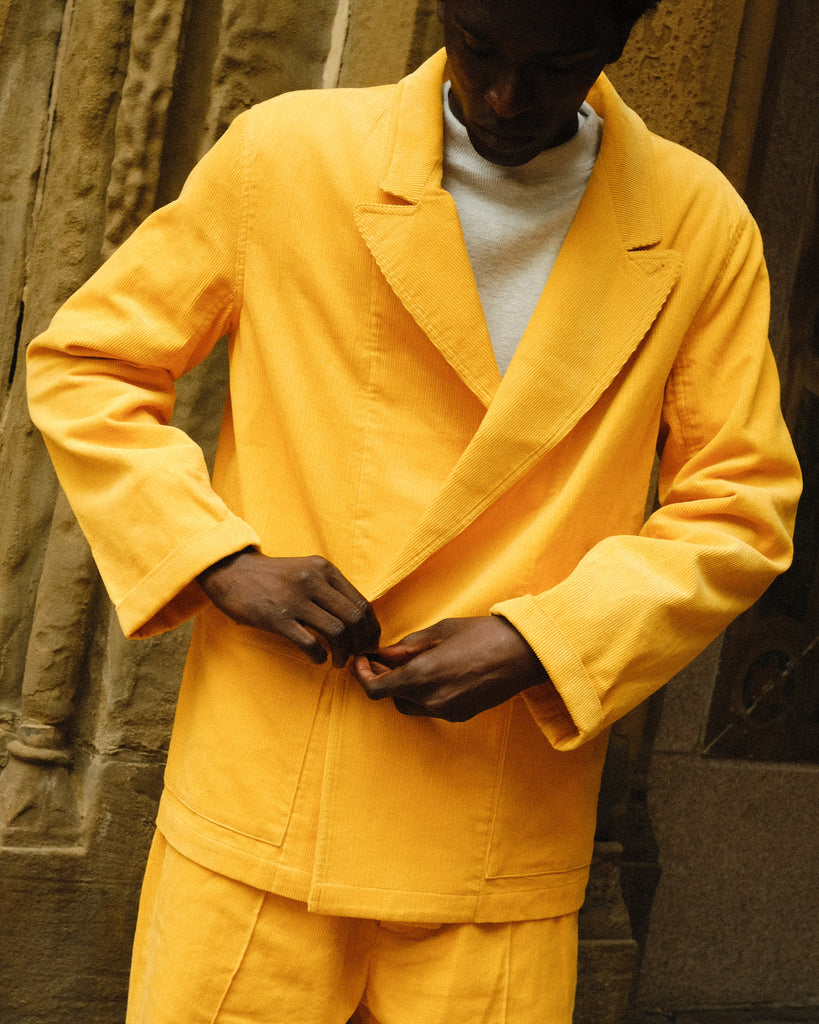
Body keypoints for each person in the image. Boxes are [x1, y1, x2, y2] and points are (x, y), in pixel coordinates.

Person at [26, 0, 801, 1020]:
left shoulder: (696, 226)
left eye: (556, 64)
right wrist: (220, 560)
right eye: (479, 49)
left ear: (618, 45)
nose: (505, 98)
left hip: (495, 833)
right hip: (264, 798)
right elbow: (89, 367)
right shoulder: (289, 156)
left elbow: (740, 505)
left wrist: (542, 642)